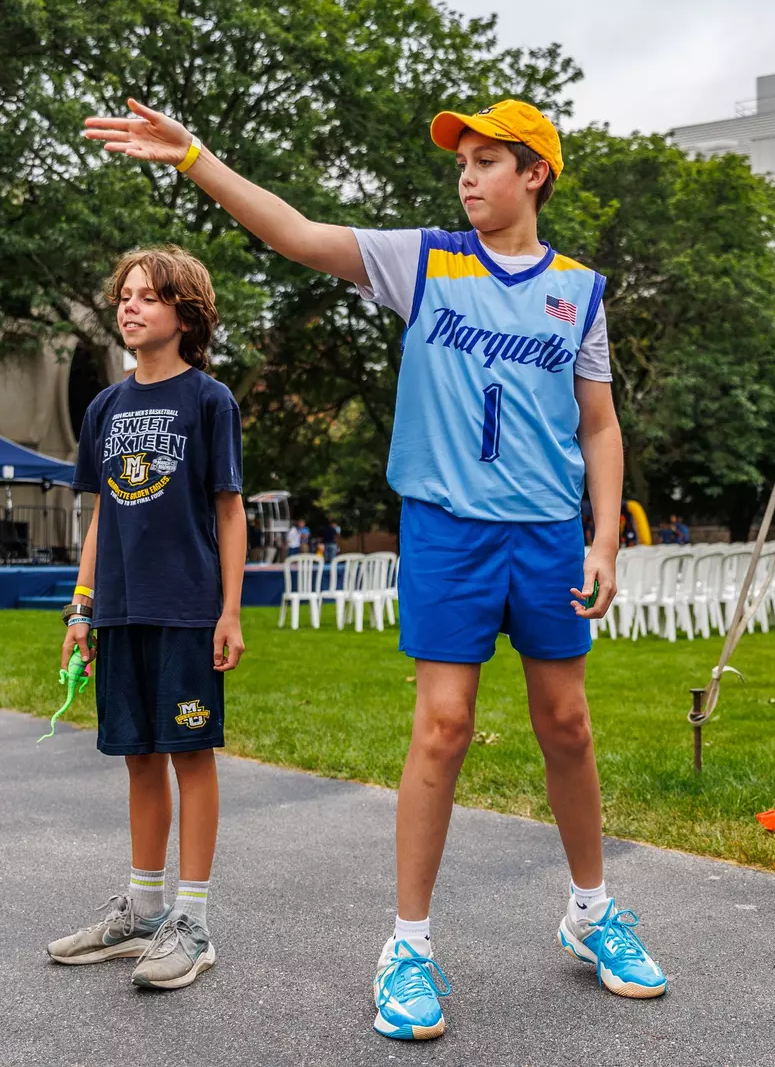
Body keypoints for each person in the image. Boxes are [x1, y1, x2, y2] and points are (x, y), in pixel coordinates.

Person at [85, 97, 666, 1035]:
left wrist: (603, 539)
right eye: (462, 161)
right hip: (447, 529)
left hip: (549, 531)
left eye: (487, 160)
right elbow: (298, 233)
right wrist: (192, 154)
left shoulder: (579, 291)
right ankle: (409, 943)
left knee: (567, 722)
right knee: (443, 726)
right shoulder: (426, 259)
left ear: (536, 175)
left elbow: (598, 425)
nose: (467, 176)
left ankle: (593, 913)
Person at [47, 245, 246, 992]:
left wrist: (229, 610)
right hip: (120, 613)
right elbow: (101, 518)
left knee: (190, 755)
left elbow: (230, 512)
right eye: (124, 295)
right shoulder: (104, 407)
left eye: (148, 296)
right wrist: (80, 607)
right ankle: (142, 908)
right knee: (137, 756)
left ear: (184, 314)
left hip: (189, 610)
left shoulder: (208, 400)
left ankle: (191, 922)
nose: (129, 305)